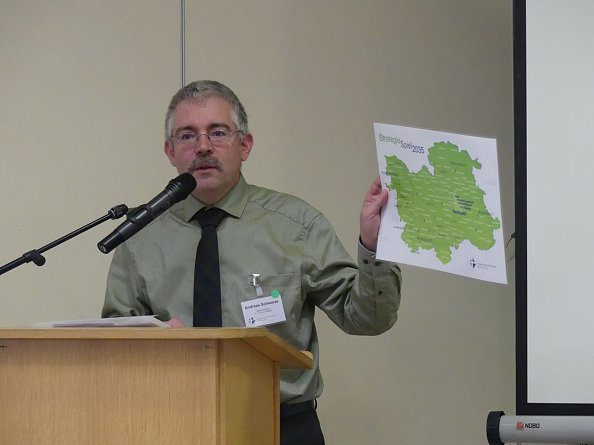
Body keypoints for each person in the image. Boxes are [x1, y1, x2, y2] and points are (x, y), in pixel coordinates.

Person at [102, 80, 402, 445]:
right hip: (174, 424)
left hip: (282, 427)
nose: (203, 147)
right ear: (170, 151)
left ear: (244, 145)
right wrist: (156, 344)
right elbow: (114, 345)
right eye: (187, 135)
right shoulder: (141, 238)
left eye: (218, 132)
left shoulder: (296, 226)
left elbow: (368, 319)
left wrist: (375, 245)